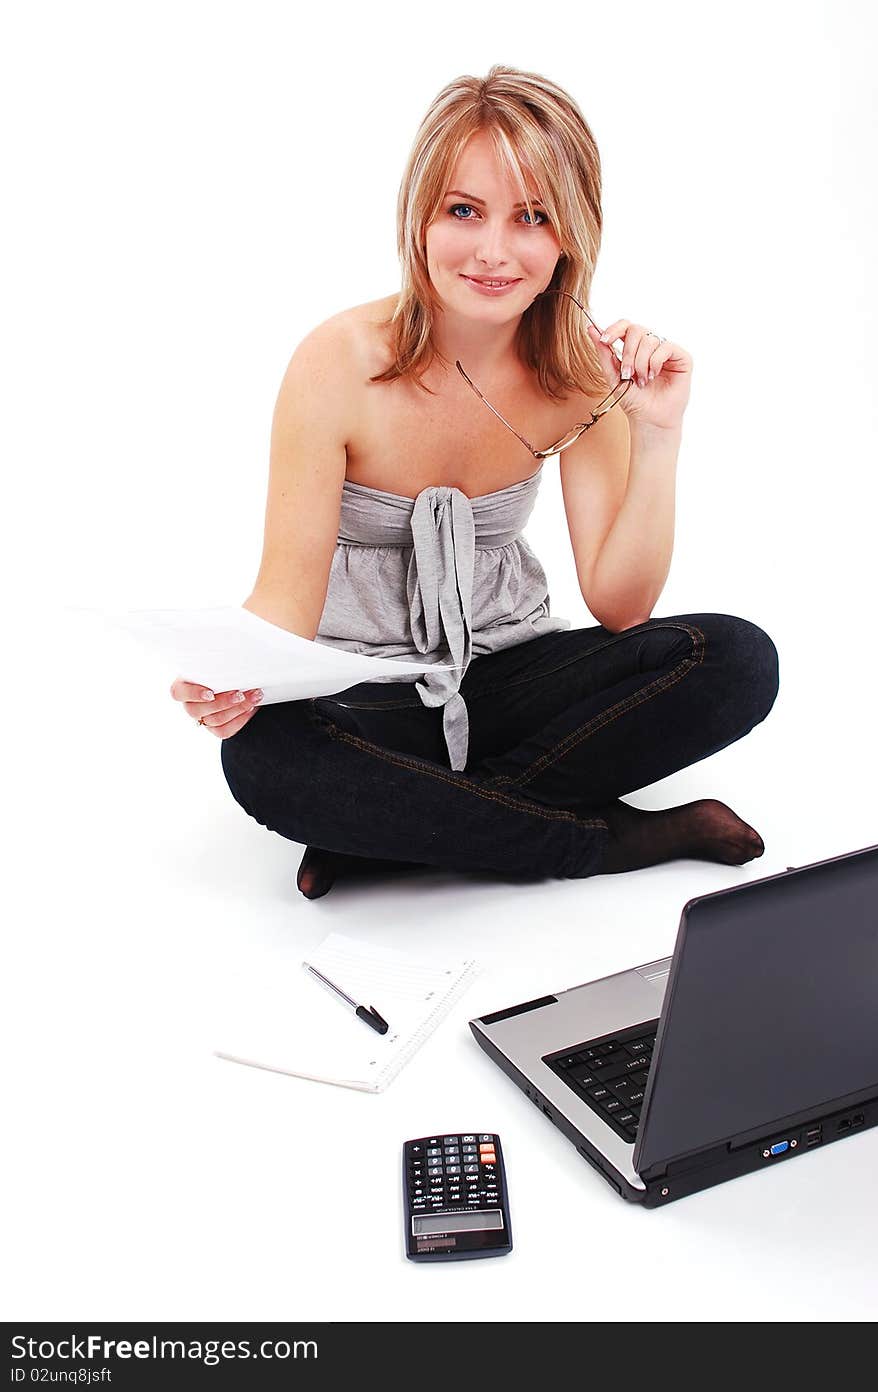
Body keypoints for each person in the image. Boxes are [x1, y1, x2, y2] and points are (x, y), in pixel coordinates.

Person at [170, 64, 779, 900]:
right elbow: (286, 602)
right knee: (262, 756)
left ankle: (399, 832)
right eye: (465, 211)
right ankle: (611, 837)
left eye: (532, 217)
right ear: (420, 219)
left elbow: (622, 606)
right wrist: (230, 677)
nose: (495, 250)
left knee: (737, 659)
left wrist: (659, 432)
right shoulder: (338, 364)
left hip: (505, 678)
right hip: (368, 697)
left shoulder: (576, 373)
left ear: (570, 233)